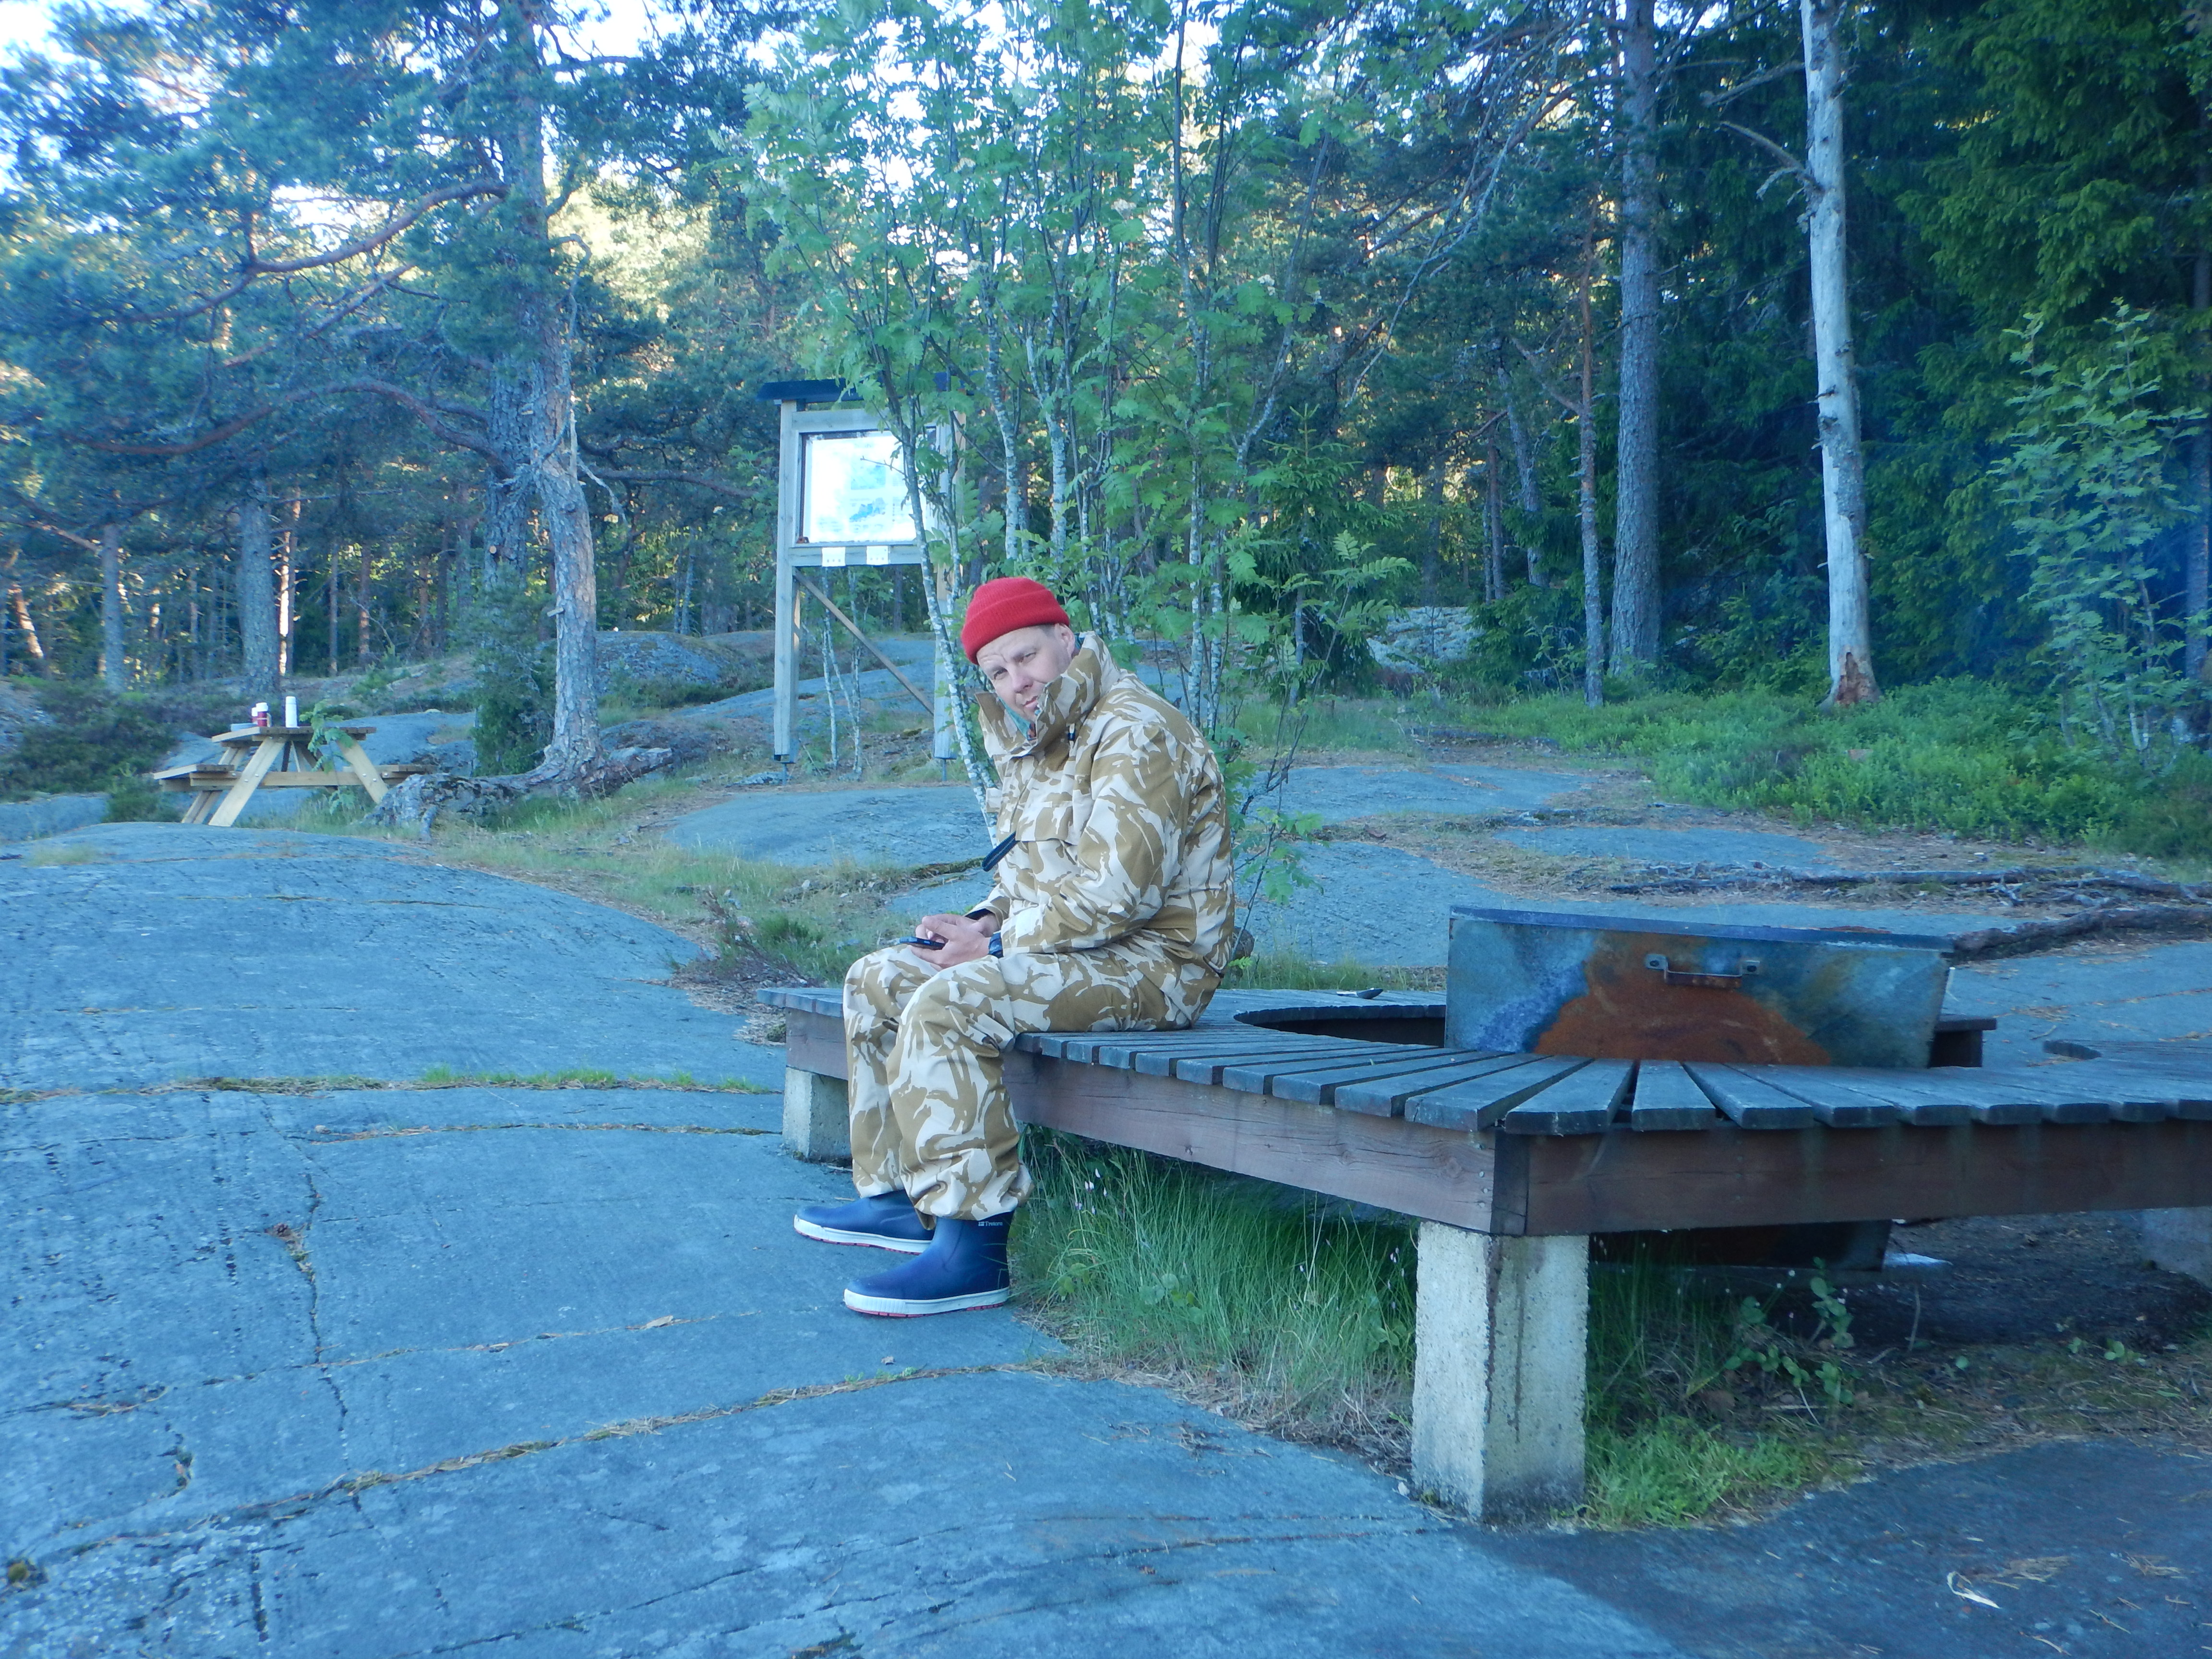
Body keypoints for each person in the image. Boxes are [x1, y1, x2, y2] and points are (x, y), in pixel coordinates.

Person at [793, 576, 1234, 1316]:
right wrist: (979, 923)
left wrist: (992, 949)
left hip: (1159, 966)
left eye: (1025, 658)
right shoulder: (1043, 742)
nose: (1016, 683)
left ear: (1065, 637)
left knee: (951, 1001)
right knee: (878, 976)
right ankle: (901, 1200)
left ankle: (971, 1247)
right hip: (1074, 953)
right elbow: (1028, 878)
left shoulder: (1135, 730)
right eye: (997, 673)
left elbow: (1120, 895)